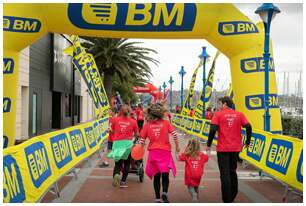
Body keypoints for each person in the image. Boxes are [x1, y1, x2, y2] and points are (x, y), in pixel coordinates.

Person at [206, 96, 252, 203]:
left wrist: (208, 145)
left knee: (224, 174)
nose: (220, 106)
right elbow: (249, 126)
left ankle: (227, 200)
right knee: (232, 172)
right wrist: (248, 142)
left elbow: (212, 129)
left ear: (225, 104)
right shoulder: (239, 114)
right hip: (235, 148)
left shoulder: (218, 114)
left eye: (221, 103)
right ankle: (233, 196)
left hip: (223, 148)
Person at [139, 103, 180, 203]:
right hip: (165, 152)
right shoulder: (166, 123)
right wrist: (177, 147)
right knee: (165, 175)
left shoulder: (147, 125)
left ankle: (157, 198)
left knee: (156, 176)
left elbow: (141, 140)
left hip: (153, 152)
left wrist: (139, 149)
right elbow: (174, 134)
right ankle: (164, 193)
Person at [108, 105, 139, 188]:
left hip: (117, 143)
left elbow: (112, 130)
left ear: (120, 111)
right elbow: (137, 134)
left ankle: (116, 174)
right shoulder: (133, 121)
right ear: (129, 112)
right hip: (127, 144)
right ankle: (123, 181)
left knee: (118, 163)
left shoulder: (115, 120)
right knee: (127, 163)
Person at [177, 138, 209, 202]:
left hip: (190, 174)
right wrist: (208, 150)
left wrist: (177, 151)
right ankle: (197, 199)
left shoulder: (187, 155)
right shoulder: (202, 155)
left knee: (190, 187)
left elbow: (178, 158)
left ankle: (194, 195)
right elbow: (207, 157)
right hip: (198, 174)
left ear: (189, 145)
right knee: (196, 186)